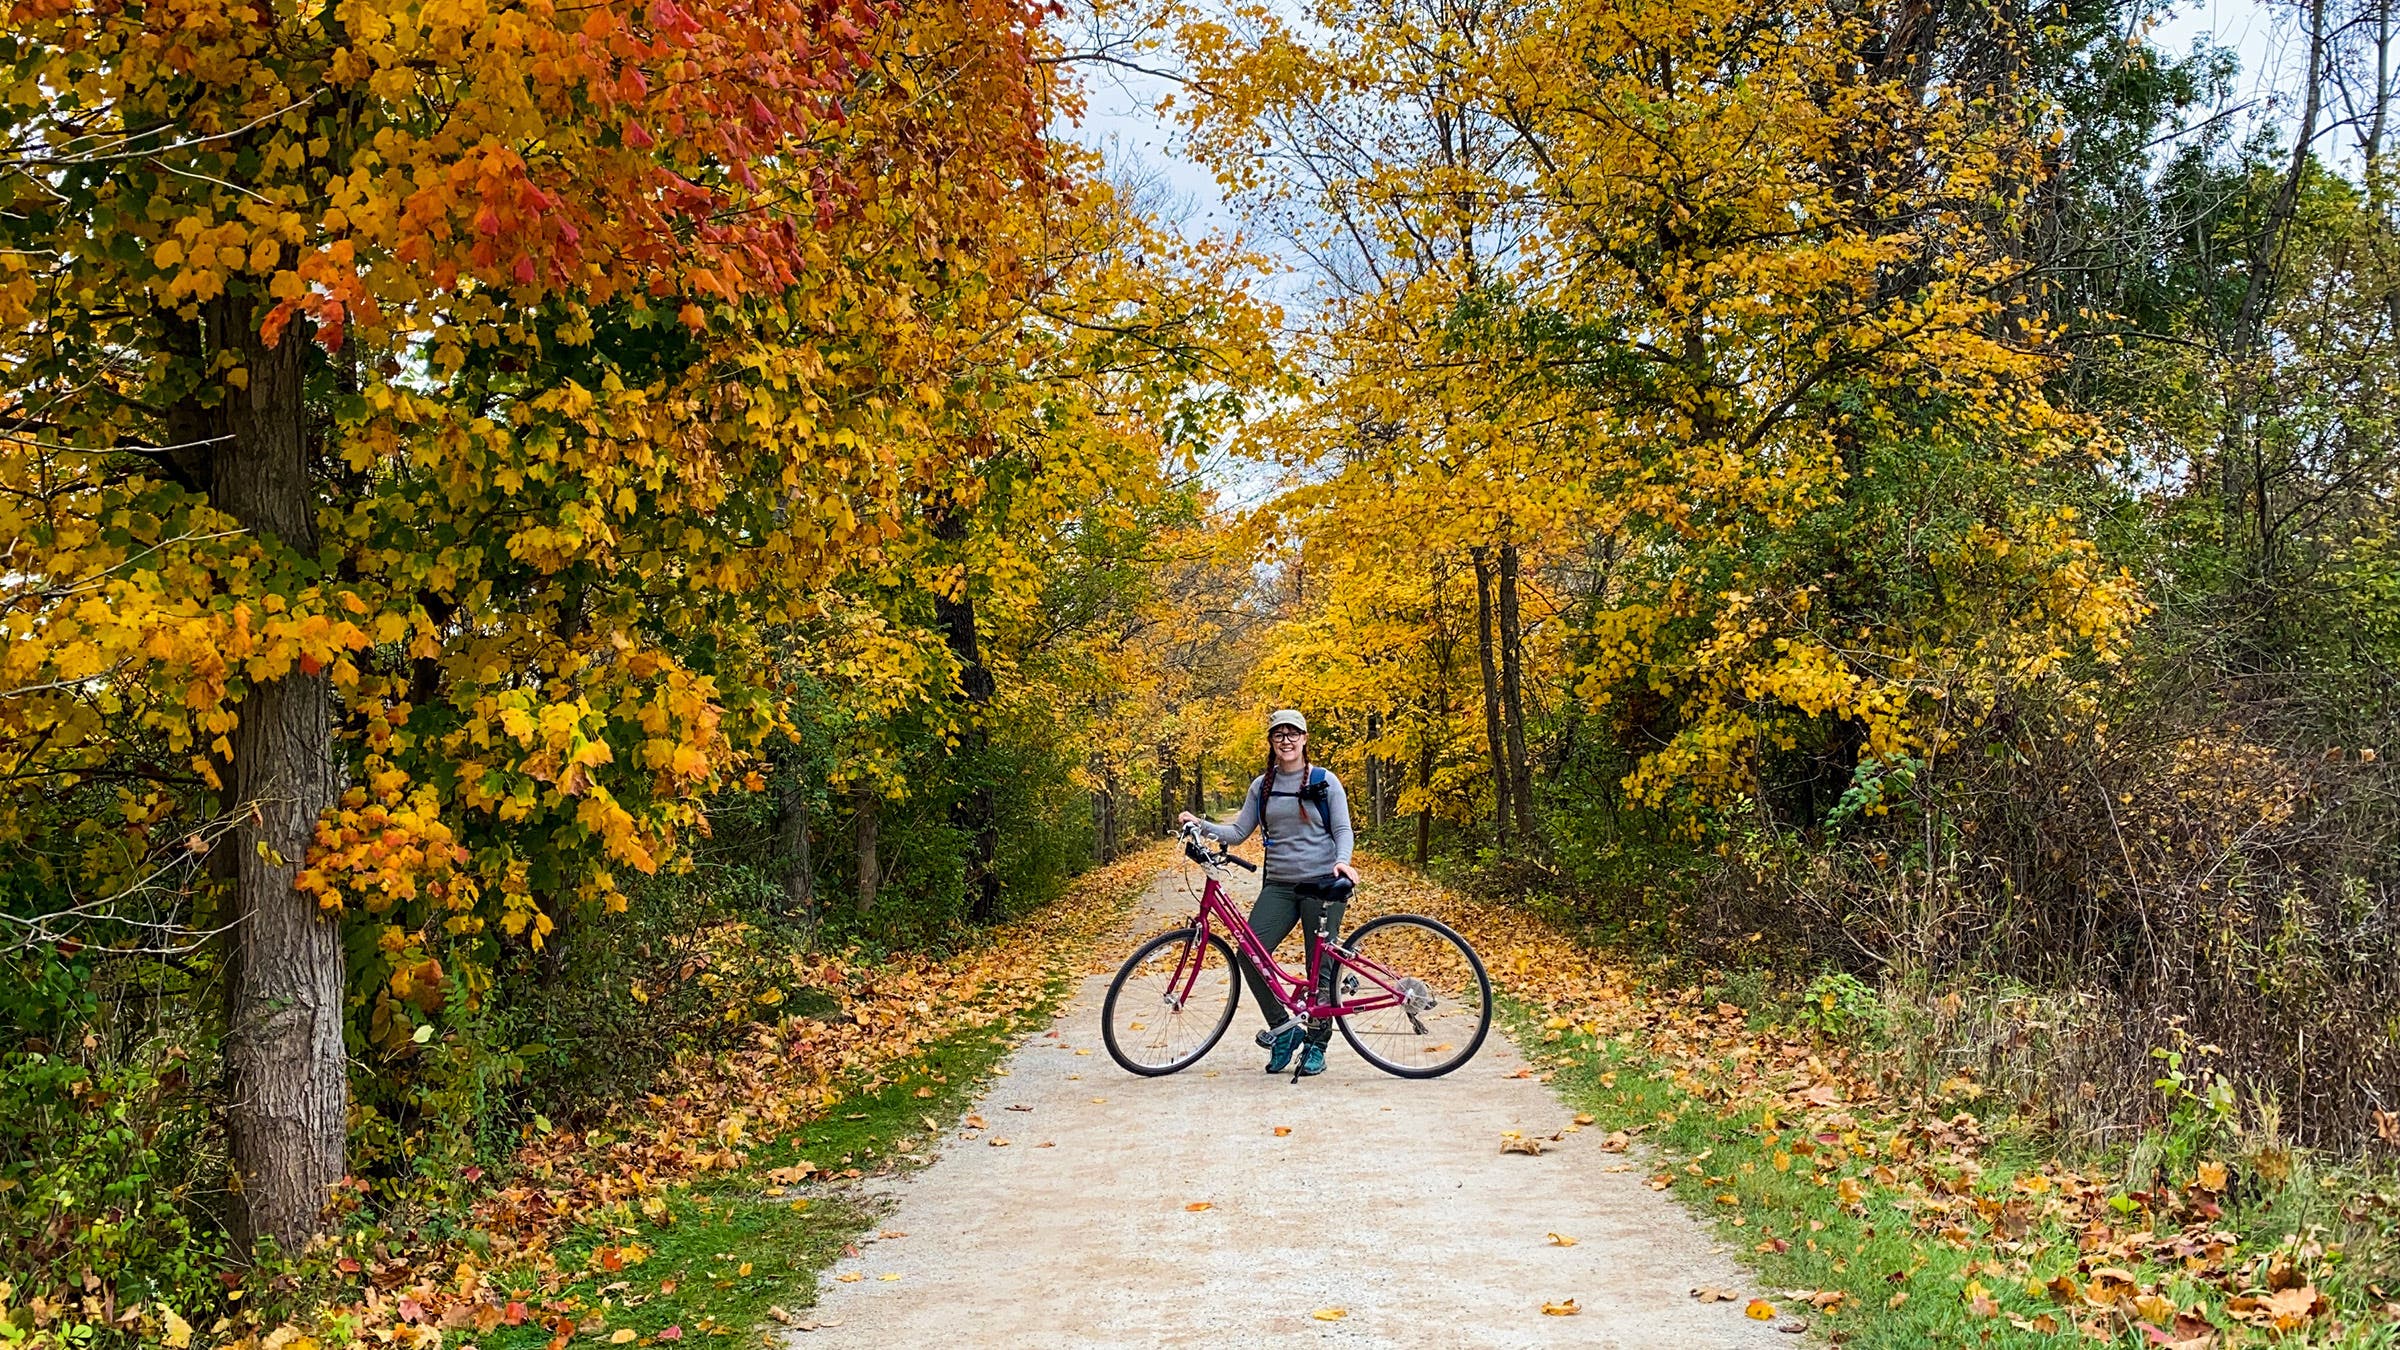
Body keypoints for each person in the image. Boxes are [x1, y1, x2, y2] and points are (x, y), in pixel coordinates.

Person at [1178, 709, 1359, 1077]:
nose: (1287, 740)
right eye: (1279, 735)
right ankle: (1284, 1029)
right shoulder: (1262, 786)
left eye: (1293, 734)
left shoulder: (1326, 782)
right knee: (1250, 955)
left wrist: (1342, 861)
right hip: (1279, 885)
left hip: (1322, 884)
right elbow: (1238, 832)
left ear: (1305, 739)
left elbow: (1343, 829)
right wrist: (1202, 825)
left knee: (1318, 970)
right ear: (1272, 742)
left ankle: (1316, 1046)